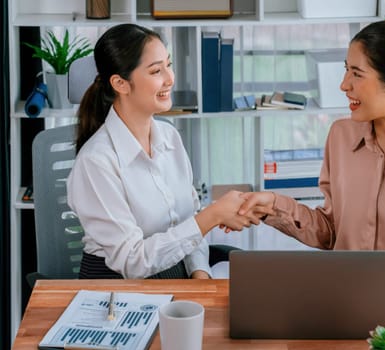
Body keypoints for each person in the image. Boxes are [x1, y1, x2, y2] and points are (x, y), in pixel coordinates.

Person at [238, 20, 385, 278]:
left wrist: (368, 289)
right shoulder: (341, 136)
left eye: (357, 74)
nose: (344, 84)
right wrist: (272, 205)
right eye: (346, 70)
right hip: (341, 297)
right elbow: (330, 230)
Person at [67, 23, 255, 279]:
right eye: (156, 70)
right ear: (121, 83)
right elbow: (133, 263)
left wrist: (199, 272)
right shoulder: (96, 162)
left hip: (175, 277)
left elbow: (186, 224)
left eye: (169, 64)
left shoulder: (170, 137)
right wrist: (212, 216)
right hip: (117, 290)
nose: (170, 78)